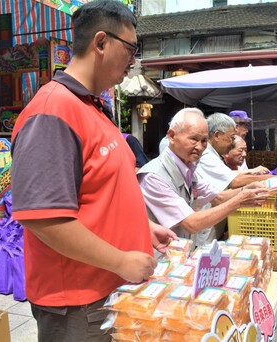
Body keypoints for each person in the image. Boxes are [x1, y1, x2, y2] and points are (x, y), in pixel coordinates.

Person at [10, 2, 177, 340]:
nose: (133, 61)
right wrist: (120, 261)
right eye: (130, 48)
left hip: (106, 293)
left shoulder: (93, 107)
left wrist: (142, 227)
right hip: (78, 305)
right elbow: (44, 218)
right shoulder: (53, 111)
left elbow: (96, 195)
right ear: (101, 42)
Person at [138, 108, 269, 248]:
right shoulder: (154, 176)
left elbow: (217, 197)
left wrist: (245, 190)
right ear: (171, 136)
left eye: (204, 141)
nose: (200, 147)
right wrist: (240, 200)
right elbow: (191, 223)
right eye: (193, 139)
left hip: (179, 256)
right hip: (158, 262)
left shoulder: (188, 169)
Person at [196, 113, 273, 242]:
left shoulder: (214, 155)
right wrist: (271, 179)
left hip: (214, 223)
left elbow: (223, 190)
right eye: (231, 138)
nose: (232, 143)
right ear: (217, 135)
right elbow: (234, 182)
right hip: (205, 227)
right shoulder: (206, 156)